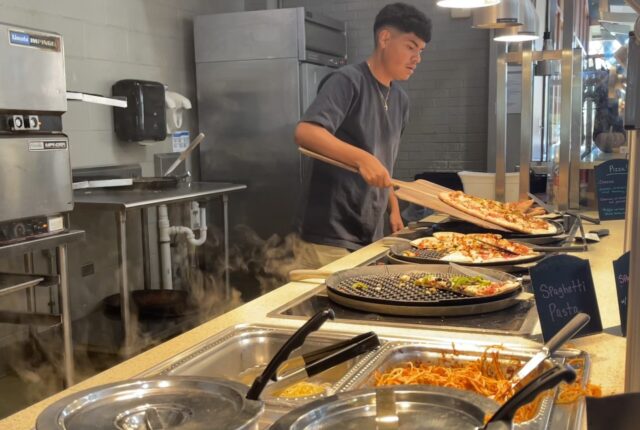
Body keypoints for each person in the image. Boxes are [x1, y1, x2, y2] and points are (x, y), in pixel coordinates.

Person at [294, 2, 431, 268]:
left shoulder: (401, 100)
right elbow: (306, 131)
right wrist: (361, 158)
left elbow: (384, 163)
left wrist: (393, 207)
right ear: (385, 38)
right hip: (329, 233)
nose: (417, 58)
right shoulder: (347, 81)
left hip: (369, 231)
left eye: (421, 50)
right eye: (411, 46)